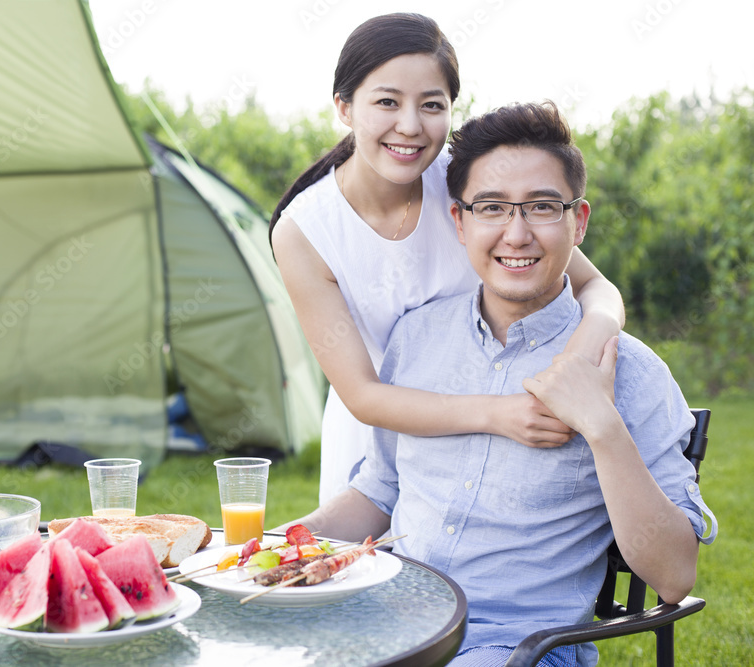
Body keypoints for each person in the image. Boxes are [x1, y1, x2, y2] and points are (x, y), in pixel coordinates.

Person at [287, 101, 717, 666]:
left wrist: (602, 426)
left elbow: (673, 576)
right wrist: (277, 542)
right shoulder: (415, 340)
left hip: (518, 649)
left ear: (578, 221)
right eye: (492, 208)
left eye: (542, 207)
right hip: (388, 627)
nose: (516, 234)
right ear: (459, 221)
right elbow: (380, 493)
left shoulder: (630, 371)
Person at [269, 13, 626, 504]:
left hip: (516, 420)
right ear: (344, 107)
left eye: (432, 105)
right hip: (383, 442)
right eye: (387, 102)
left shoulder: (468, 187)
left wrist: (582, 352)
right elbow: (364, 395)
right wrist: (497, 413)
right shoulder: (303, 231)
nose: (411, 126)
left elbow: (598, 289)